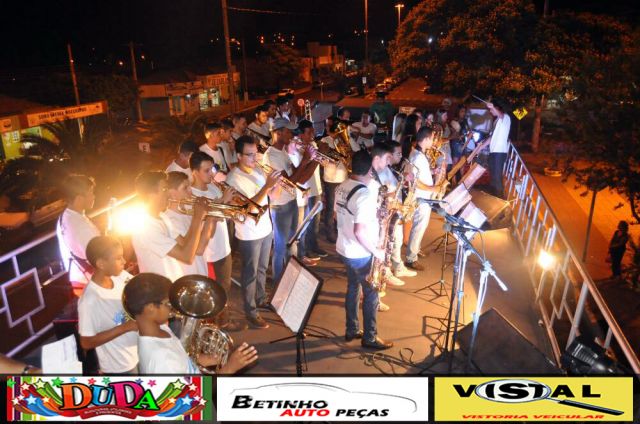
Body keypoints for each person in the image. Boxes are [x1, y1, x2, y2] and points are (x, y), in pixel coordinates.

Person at [123, 273, 258, 374]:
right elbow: (193, 396)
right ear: (151, 308)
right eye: (168, 303)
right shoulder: (162, 360)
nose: (174, 307)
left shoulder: (161, 328)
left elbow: (179, 359)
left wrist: (199, 360)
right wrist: (229, 369)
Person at [335, 150, 393, 350]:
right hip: (360, 253)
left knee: (353, 287)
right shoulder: (364, 194)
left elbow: (337, 216)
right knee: (372, 293)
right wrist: (377, 252)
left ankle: (351, 329)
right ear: (369, 170)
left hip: (344, 248)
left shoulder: (341, 186)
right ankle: (370, 337)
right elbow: (359, 231)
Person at [227, 136, 281, 329]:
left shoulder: (258, 171)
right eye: (249, 155)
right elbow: (248, 208)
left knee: (262, 268)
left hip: (265, 228)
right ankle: (250, 312)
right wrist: (267, 185)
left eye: (256, 154)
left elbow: (271, 197)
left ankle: (260, 298)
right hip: (249, 233)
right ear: (239, 156)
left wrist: (276, 185)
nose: (255, 158)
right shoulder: (233, 179)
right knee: (250, 273)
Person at [264, 118, 319, 283]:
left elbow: (300, 178)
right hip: (280, 207)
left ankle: (289, 278)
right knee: (281, 247)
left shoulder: (282, 152)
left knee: (291, 243)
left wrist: (315, 160)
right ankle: (278, 282)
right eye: (288, 131)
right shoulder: (271, 156)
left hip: (292, 202)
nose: (292, 135)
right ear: (278, 132)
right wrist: (305, 160)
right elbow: (288, 183)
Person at [131, 171, 207, 282]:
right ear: (150, 194)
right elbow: (187, 257)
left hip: (173, 283)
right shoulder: (146, 227)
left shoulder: (162, 217)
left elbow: (185, 244)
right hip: (160, 288)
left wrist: (201, 218)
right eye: (164, 189)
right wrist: (198, 217)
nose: (168, 193)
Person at [78, 236, 138, 374]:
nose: (124, 261)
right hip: (120, 366)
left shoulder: (120, 276)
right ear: (101, 264)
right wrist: (125, 327)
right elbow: (86, 342)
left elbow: (139, 288)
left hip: (136, 350)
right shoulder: (89, 300)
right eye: (118, 258)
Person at [189, 152, 234, 322]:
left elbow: (221, 216)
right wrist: (223, 201)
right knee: (210, 293)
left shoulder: (213, 187)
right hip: (207, 253)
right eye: (206, 171)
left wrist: (229, 206)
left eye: (212, 169)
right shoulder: (191, 194)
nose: (211, 174)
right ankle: (212, 324)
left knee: (225, 287)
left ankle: (223, 319)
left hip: (223, 247)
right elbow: (205, 220)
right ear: (195, 172)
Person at [162, 172, 212, 278]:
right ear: (172, 193)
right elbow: (199, 250)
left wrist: (212, 218)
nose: (190, 191)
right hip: (189, 276)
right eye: (185, 188)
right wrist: (210, 218)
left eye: (189, 186)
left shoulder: (189, 211)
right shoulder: (169, 220)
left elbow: (205, 238)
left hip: (201, 270)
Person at [56, 174, 100, 295]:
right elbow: (99, 260)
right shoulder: (81, 226)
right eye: (91, 193)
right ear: (79, 198)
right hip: (92, 284)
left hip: (77, 280)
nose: (94, 196)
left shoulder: (64, 217)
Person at [405, 126, 439, 271]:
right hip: (421, 196)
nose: (433, 142)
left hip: (422, 196)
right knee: (419, 226)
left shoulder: (417, 153)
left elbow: (419, 173)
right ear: (425, 139)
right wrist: (432, 189)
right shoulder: (418, 156)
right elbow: (415, 180)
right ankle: (411, 258)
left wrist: (432, 171)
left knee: (419, 226)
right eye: (432, 139)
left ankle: (415, 249)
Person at [384, 140, 418, 279]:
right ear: (389, 155)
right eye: (398, 153)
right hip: (389, 211)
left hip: (395, 210)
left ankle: (398, 266)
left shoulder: (391, 170)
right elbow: (385, 193)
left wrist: (403, 182)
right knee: (389, 242)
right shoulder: (384, 171)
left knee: (396, 240)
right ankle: (386, 270)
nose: (401, 156)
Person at [297, 119, 327, 258]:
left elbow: (319, 165)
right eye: (309, 132)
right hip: (306, 191)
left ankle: (313, 246)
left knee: (315, 223)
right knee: (305, 224)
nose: (312, 135)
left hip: (316, 188)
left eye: (313, 132)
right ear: (301, 134)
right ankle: (303, 251)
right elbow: (302, 170)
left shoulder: (313, 144)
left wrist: (323, 159)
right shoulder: (297, 149)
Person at [319, 116, 349, 244]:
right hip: (331, 179)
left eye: (330, 125)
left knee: (342, 207)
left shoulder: (343, 140)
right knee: (331, 208)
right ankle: (330, 232)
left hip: (344, 178)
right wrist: (330, 160)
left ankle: (340, 230)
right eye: (327, 125)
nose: (328, 128)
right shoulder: (324, 141)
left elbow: (351, 154)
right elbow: (321, 160)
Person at [476, 99, 511, 198]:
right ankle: (494, 197)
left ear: (497, 108)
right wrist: (481, 147)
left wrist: (492, 107)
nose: (490, 111)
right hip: (493, 152)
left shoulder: (506, 118)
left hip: (500, 152)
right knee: (493, 177)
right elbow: (491, 137)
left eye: (491, 109)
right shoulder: (496, 121)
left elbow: (501, 115)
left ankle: (501, 199)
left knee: (497, 177)